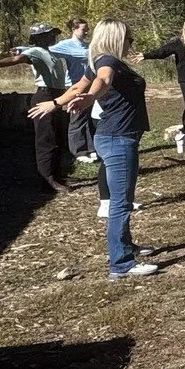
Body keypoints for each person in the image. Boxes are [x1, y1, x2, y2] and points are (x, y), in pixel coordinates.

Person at [32, 20, 156, 279]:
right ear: (115, 38)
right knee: (121, 203)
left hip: (113, 137)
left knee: (121, 200)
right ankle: (121, 264)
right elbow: (103, 80)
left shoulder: (99, 60)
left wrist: (55, 102)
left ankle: (125, 246)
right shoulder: (107, 61)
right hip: (118, 138)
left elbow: (78, 86)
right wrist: (91, 97)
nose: (130, 43)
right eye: (128, 38)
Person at [0, 24, 72, 193]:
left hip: (56, 96)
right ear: (39, 38)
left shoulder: (49, 52)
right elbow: (16, 59)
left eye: (53, 34)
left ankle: (56, 174)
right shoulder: (36, 51)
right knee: (46, 139)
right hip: (45, 96)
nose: (53, 36)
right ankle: (47, 179)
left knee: (58, 137)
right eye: (49, 34)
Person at [51, 18, 96, 168]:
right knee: (77, 116)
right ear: (74, 29)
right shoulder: (65, 45)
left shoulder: (88, 46)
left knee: (89, 116)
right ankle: (78, 150)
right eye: (83, 29)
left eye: (87, 29)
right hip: (75, 85)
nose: (87, 32)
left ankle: (91, 148)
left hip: (90, 84)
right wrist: (21, 50)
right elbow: (46, 50)